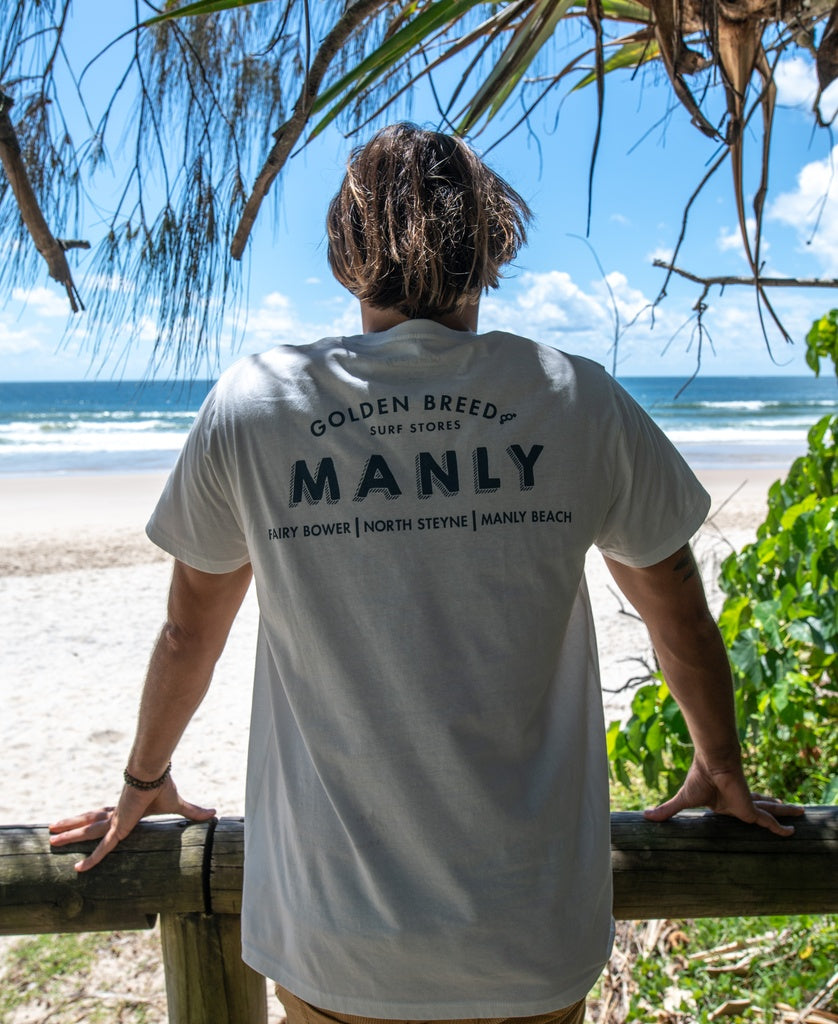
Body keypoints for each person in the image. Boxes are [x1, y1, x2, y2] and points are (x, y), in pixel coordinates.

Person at [49, 123, 802, 1024]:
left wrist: (144, 781)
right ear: (492, 247)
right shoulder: (573, 397)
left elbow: (188, 632)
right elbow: (675, 597)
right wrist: (720, 762)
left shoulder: (258, 406)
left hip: (334, 941)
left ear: (343, 254)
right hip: (529, 939)